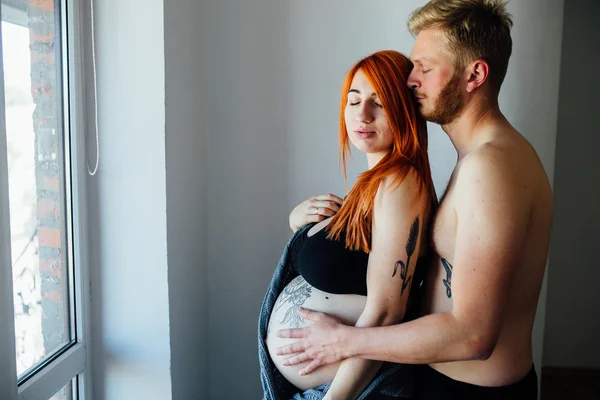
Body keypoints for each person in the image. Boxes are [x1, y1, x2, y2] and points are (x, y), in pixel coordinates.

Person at [276, 1, 553, 399]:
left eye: (424, 66)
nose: (410, 80)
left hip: (470, 392)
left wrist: (344, 342)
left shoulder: (492, 168)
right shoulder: (479, 159)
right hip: (446, 383)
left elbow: (473, 336)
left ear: (475, 74)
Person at [258, 50, 437, 400]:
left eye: (379, 103)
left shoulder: (399, 182)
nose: (362, 114)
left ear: (404, 109)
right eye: (353, 101)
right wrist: (300, 223)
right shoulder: (374, 183)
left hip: (353, 391)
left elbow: (386, 311)